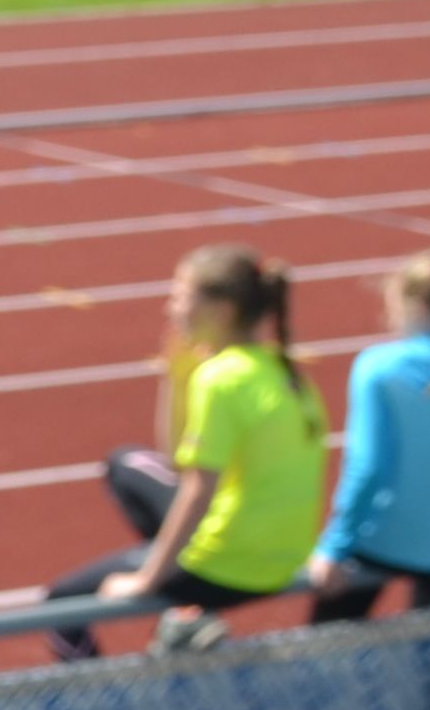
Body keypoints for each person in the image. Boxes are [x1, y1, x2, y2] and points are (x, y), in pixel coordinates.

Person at [50, 244, 329, 657]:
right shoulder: (280, 369)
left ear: (221, 311)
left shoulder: (221, 379)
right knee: (125, 463)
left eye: (180, 296)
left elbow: (198, 490)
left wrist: (148, 579)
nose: (170, 308)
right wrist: (176, 376)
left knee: (59, 604)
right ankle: (185, 617)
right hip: (284, 558)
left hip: (224, 569)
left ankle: (114, 688)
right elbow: (176, 463)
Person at [309, 254, 430, 621]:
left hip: (389, 541)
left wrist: (334, 548)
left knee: (325, 632)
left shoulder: (380, 368)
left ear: (420, 306)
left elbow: (367, 467)